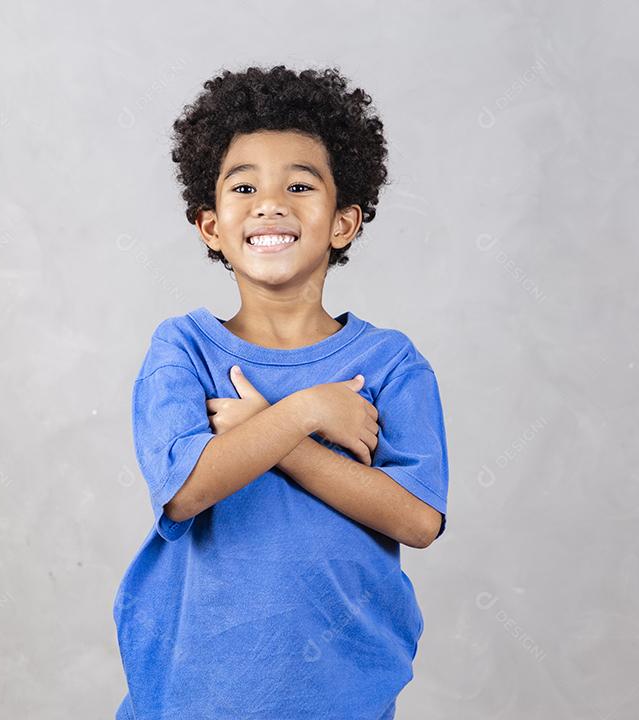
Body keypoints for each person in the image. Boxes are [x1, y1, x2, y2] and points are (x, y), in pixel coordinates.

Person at [113, 65, 450, 720]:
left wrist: (277, 433)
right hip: (194, 699)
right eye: (244, 187)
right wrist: (308, 411)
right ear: (211, 226)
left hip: (344, 700)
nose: (271, 203)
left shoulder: (390, 362)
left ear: (343, 222)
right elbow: (185, 493)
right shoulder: (182, 349)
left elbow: (418, 519)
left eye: (300, 184)